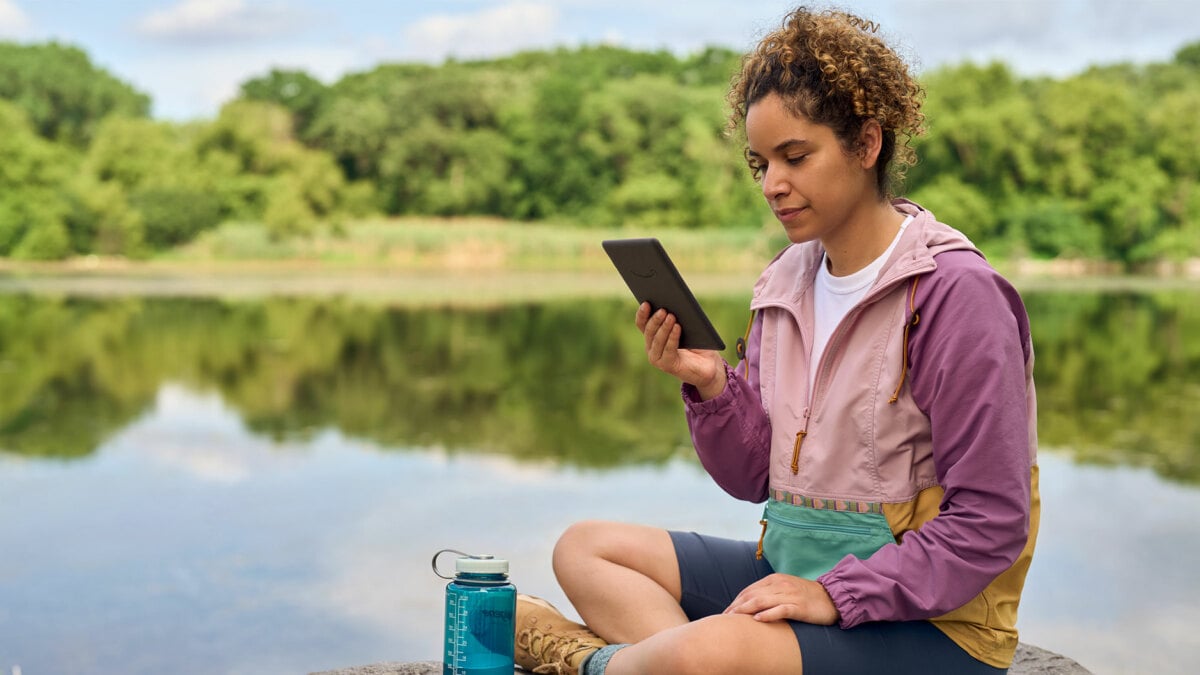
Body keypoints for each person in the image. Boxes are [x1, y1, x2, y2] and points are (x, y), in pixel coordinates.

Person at [513, 5, 1040, 674]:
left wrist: (834, 592)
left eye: (795, 156)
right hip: (794, 569)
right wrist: (710, 385)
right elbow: (755, 477)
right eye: (760, 163)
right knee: (586, 548)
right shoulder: (784, 284)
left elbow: (991, 522)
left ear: (868, 144)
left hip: (934, 625)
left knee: (712, 650)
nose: (772, 184)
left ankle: (586, 662)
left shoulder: (955, 295)